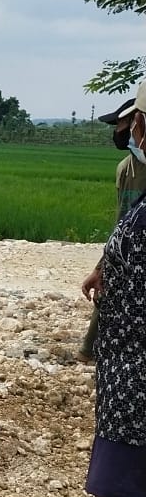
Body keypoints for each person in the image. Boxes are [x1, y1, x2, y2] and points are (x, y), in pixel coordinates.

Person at [80, 81, 146, 497]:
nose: (127, 133)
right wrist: (111, 263)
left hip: (136, 394)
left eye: (132, 123)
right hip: (125, 377)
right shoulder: (135, 185)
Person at [79, 96, 146, 362]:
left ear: (136, 124)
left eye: (120, 125)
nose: (117, 133)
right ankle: (90, 351)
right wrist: (103, 265)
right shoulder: (125, 169)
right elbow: (122, 221)